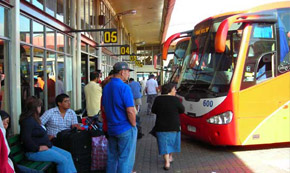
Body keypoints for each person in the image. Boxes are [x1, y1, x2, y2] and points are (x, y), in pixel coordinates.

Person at [19, 96, 77, 173]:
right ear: (35, 108)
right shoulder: (28, 121)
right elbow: (26, 138)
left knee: (68, 155)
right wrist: (37, 148)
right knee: (63, 161)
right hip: (34, 152)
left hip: (47, 147)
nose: (40, 108)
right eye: (39, 106)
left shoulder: (34, 119)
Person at [102, 62, 137, 173]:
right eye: (127, 72)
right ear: (122, 72)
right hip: (125, 127)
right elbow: (130, 110)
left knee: (112, 157)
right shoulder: (124, 87)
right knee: (125, 159)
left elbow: (103, 107)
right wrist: (133, 124)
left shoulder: (107, 87)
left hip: (112, 128)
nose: (128, 74)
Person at [151, 83, 185, 171]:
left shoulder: (158, 99)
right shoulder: (176, 99)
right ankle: (170, 157)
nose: (176, 91)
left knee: (164, 143)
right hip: (174, 125)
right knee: (172, 142)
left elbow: (153, 110)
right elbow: (182, 110)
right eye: (174, 89)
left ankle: (167, 162)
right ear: (170, 90)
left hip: (161, 126)